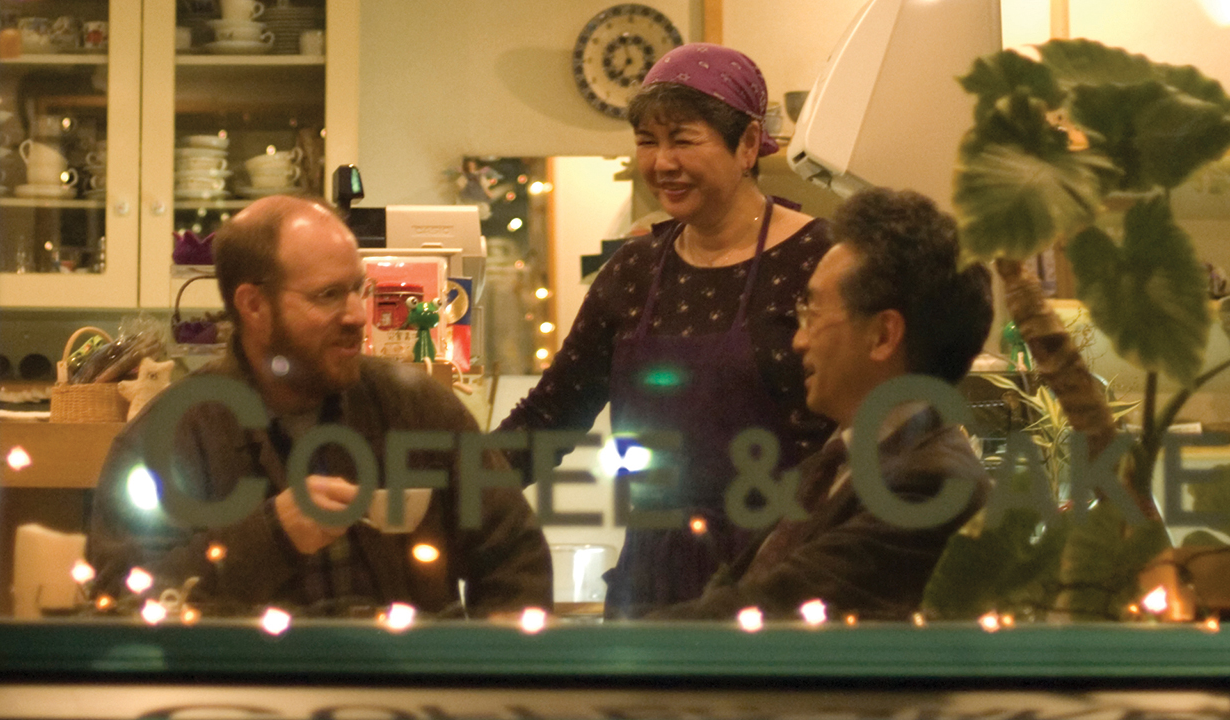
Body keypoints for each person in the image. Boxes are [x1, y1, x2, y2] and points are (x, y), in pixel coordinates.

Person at [87, 196, 552, 617]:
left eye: (359, 289)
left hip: (405, 693)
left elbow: (517, 564)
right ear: (253, 305)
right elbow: (119, 603)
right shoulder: (170, 437)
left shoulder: (419, 408)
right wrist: (270, 538)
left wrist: (479, 685)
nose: (357, 315)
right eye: (328, 295)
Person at [497, 43, 834, 618]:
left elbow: (858, 430)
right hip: (652, 574)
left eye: (683, 138)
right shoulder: (634, 270)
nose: (662, 162)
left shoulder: (819, 259)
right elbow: (551, 415)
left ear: (748, 144)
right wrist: (447, 493)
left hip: (785, 570)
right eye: (647, 142)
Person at [649, 187, 995, 621]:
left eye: (812, 313)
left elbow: (768, 613)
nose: (798, 340)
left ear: (883, 335)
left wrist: (610, 650)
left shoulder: (933, 483)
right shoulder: (829, 464)